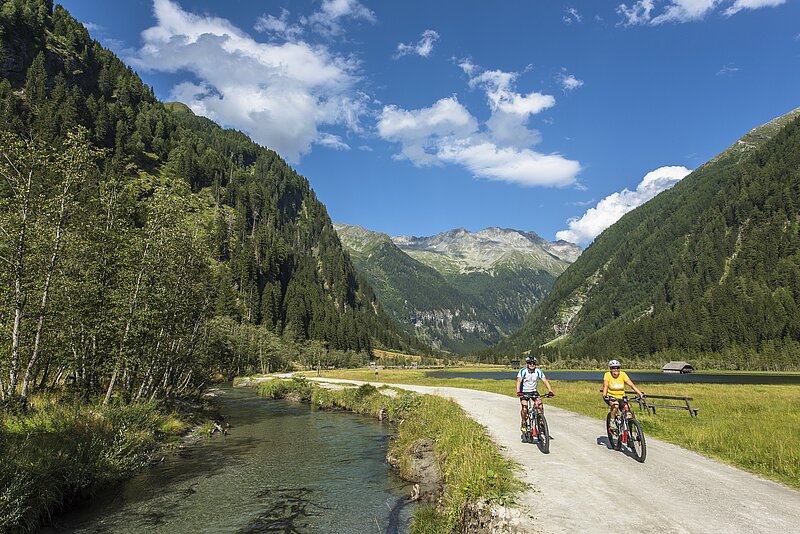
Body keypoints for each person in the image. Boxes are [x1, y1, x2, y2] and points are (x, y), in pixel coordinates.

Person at [516, 356, 555, 433]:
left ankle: (540, 421)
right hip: (524, 391)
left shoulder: (538, 371)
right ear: (527, 364)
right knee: (525, 407)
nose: (532, 364)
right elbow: (518, 381)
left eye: (533, 363)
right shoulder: (523, 371)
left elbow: (545, 381)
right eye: (530, 363)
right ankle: (524, 422)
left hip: (534, 391)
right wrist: (518, 392)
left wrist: (550, 391)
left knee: (540, 405)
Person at [602, 359, 644, 428]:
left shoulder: (623, 374)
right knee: (615, 405)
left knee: (628, 414)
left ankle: (629, 433)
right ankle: (612, 421)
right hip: (610, 396)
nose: (615, 370)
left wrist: (640, 394)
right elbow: (605, 385)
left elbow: (632, 385)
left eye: (617, 368)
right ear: (610, 369)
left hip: (621, 397)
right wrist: (604, 395)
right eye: (613, 368)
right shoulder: (607, 375)